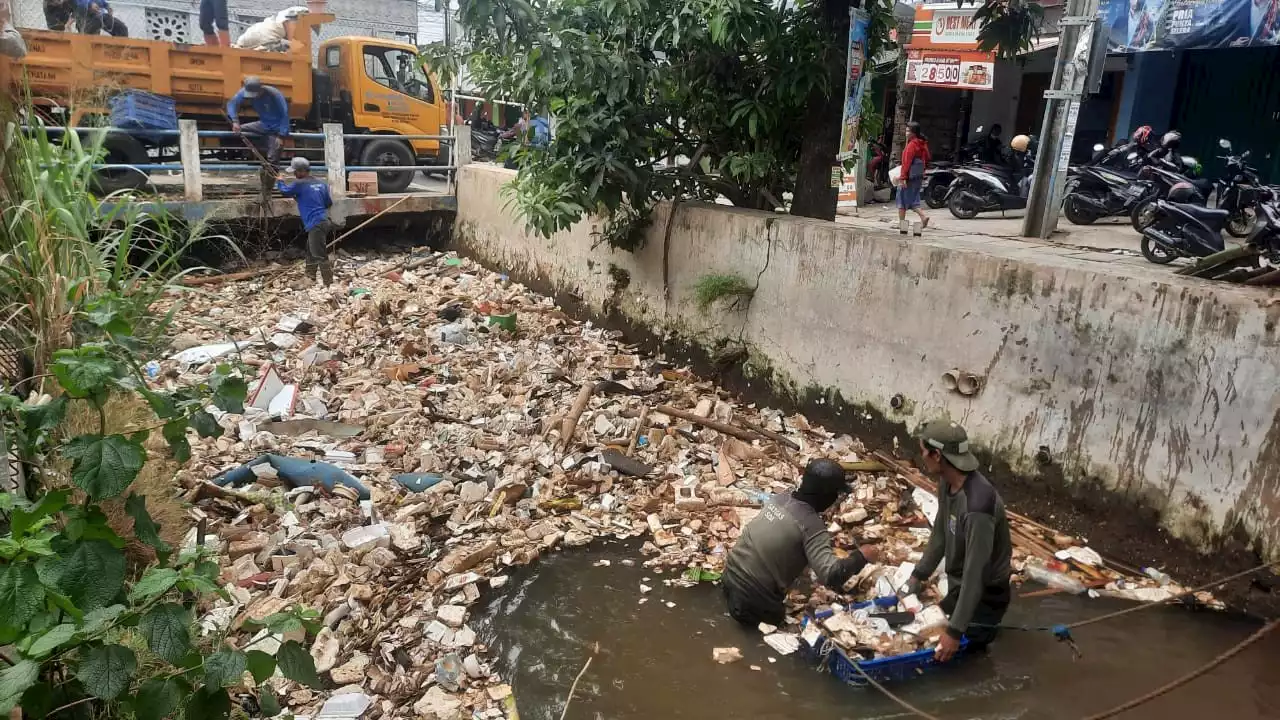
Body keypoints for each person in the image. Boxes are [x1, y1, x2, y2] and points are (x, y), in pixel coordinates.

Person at [722, 459, 881, 626]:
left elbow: (782, 540)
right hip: (754, 601)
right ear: (827, 496)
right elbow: (832, 575)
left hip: (729, 579)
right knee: (785, 628)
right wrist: (862, 555)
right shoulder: (812, 526)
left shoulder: (780, 498)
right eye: (835, 495)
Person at [904, 420, 1012, 662]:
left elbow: (977, 575)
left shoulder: (977, 506)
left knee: (962, 659)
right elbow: (940, 534)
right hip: (960, 586)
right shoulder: (947, 483)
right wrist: (919, 575)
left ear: (937, 454)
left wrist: (954, 632)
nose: (922, 457)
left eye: (923, 451)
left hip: (986, 594)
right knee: (919, 634)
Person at [276, 157, 335, 286]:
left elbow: (284, 191)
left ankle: (329, 283)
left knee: (319, 254)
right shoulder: (321, 183)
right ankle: (310, 277)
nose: (294, 174)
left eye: (295, 172)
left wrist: (280, 181)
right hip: (323, 221)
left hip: (315, 224)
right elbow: (328, 203)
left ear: (302, 171)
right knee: (311, 249)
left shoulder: (299, 184)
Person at [228, 76, 291, 166]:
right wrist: (235, 121)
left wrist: (281, 136)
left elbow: (285, 114)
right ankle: (256, 149)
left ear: (260, 88)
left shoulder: (274, 94)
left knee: (272, 160)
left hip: (276, 129)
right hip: (263, 124)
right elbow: (232, 104)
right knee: (239, 130)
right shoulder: (245, 91)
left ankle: (271, 173)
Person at [897, 121, 931, 232]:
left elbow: (906, 163)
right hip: (918, 176)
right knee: (913, 199)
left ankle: (902, 225)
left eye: (908, 131)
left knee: (901, 199)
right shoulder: (922, 144)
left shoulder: (911, 145)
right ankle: (923, 217)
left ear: (913, 133)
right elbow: (926, 159)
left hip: (909, 177)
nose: (906, 133)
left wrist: (903, 178)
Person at [234, 6, 308, 52]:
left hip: (252, 34)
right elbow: (291, 38)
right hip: (261, 36)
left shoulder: (291, 12)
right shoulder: (296, 16)